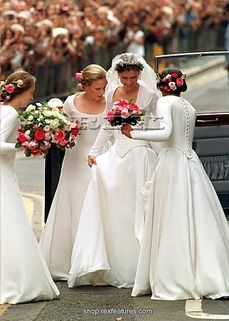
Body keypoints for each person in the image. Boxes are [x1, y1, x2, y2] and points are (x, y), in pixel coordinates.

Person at [121, 68, 229, 300]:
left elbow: (165, 133)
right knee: (197, 216)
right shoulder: (188, 106)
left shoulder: (165, 103)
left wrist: (135, 134)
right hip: (190, 162)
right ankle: (209, 272)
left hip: (172, 163)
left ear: (162, 86)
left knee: (172, 216)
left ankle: (176, 274)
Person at [68, 53, 160, 289]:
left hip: (139, 153)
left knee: (138, 208)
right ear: (118, 75)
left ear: (139, 74)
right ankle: (115, 259)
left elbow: (158, 124)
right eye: (125, 77)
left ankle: (142, 263)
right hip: (117, 153)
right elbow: (108, 125)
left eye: (133, 77)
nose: (129, 82)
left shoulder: (149, 94)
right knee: (116, 207)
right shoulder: (112, 93)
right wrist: (95, 151)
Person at [39, 64, 107, 281]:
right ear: (85, 85)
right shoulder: (71, 103)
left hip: (103, 159)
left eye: (104, 88)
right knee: (76, 204)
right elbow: (62, 129)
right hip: (76, 161)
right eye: (97, 89)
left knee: (101, 206)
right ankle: (72, 261)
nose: (102, 93)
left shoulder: (110, 102)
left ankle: (99, 262)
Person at [0, 70, 59, 304]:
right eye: (31, 93)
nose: (31, 98)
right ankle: (17, 279)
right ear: (22, 91)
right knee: (11, 220)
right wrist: (24, 143)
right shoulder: (11, 113)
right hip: (3, 172)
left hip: (6, 170)